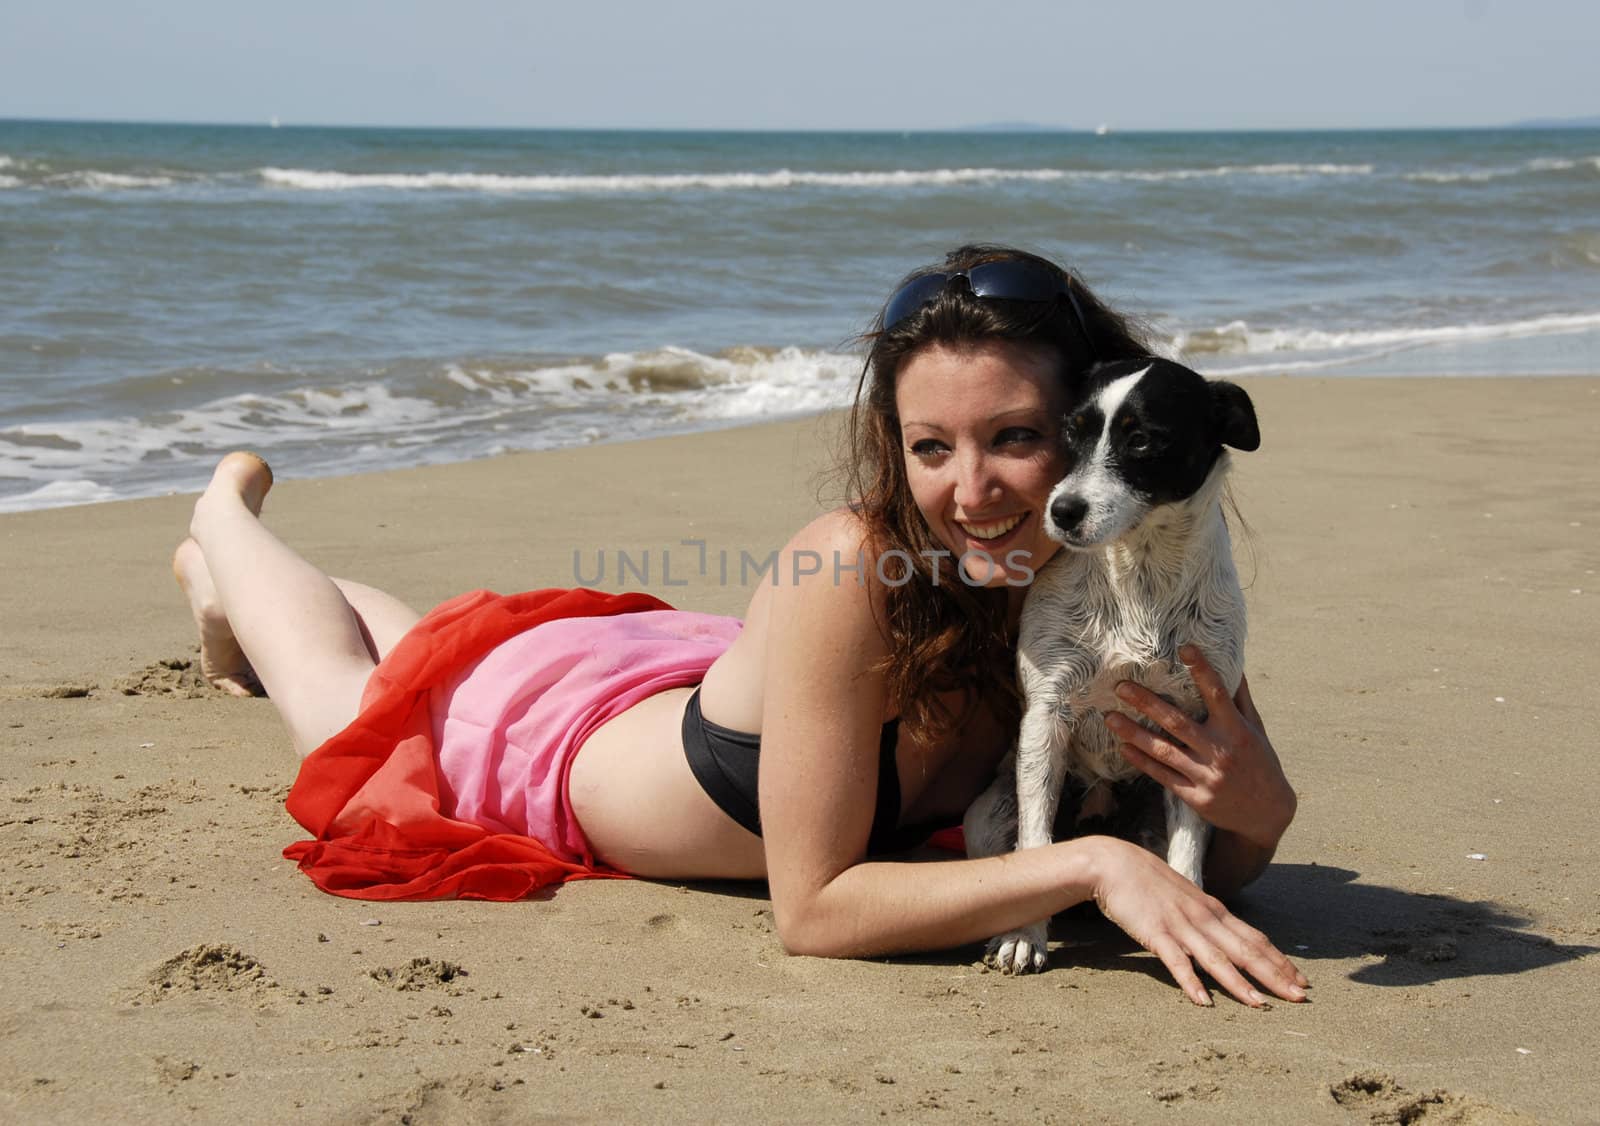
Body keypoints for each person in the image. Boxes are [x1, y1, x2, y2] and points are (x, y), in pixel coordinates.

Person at [173, 244, 1305, 1009]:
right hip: (551, 753)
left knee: (421, 641)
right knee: (345, 691)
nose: (971, 491)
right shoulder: (852, 563)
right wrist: (1090, 863)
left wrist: (1260, 801)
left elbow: (1228, 837)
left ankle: (246, 576)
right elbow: (811, 912)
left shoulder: (1128, 577)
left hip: (697, 682)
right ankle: (220, 521)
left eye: (1015, 437)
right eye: (928, 448)